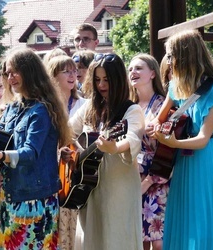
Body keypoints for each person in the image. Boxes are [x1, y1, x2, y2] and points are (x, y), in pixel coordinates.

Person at [0, 48, 71, 249]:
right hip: (9, 197)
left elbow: (30, 153)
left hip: (35, 200)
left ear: (30, 72)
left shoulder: (41, 110)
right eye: (7, 73)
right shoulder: (12, 108)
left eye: (15, 71)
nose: (10, 77)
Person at [147, 30, 213, 250]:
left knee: (207, 217)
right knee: (186, 215)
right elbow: (158, 119)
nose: (168, 61)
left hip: (208, 157)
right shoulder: (176, 85)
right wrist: (159, 128)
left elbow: (204, 138)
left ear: (185, 56)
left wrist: (173, 143)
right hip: (184, 160)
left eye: (170, 55)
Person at [61, 53, 144, 250]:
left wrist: (114, 147)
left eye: (106, 79)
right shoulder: (89, 106)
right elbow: (67, 131)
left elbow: (132, 137)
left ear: (117, 79)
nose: (101, 85)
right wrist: (73, 152)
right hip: (89, 184)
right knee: (92, 238)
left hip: (119, 186)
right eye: (97, 79)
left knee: (117, 238)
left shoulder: (131, 110)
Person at [46, 54, 87, 249]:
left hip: (76, 177)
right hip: (52, 178)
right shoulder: (46, 108)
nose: (73, 75)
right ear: (53, 76)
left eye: (74, 70)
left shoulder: (84, 105)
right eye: (66, 71)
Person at [128, 53, 168, 250]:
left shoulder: (163, 105)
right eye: (130, 69)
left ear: (152, 73)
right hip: (132, 177)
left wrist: (150, 180)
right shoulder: (129, 106)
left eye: (138, 68)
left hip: (158, 178)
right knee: (139, 239)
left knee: (158, 241)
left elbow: (168, 148)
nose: (132, 72)